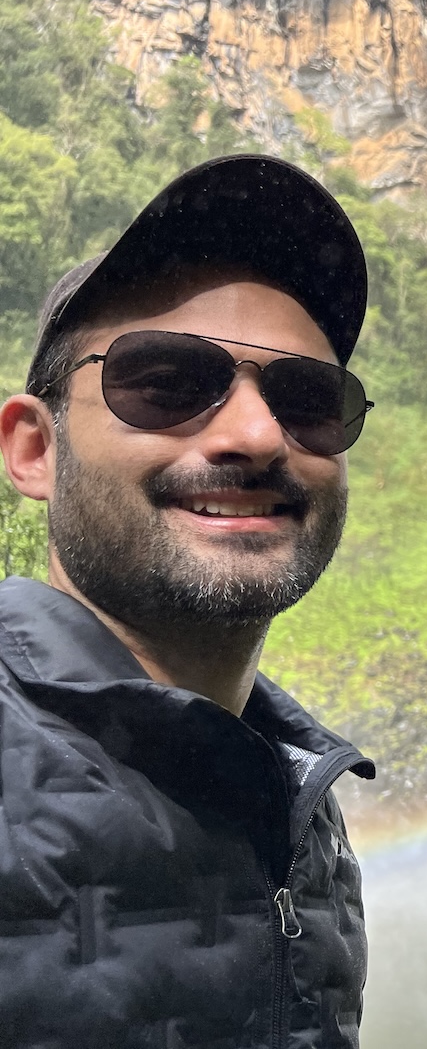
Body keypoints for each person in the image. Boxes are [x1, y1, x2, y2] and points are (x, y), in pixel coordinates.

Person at [0, 154, 378, 1048]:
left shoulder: (299, 793)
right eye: (166, 381)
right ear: (33, 450)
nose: (254, 433)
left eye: (307, 399)